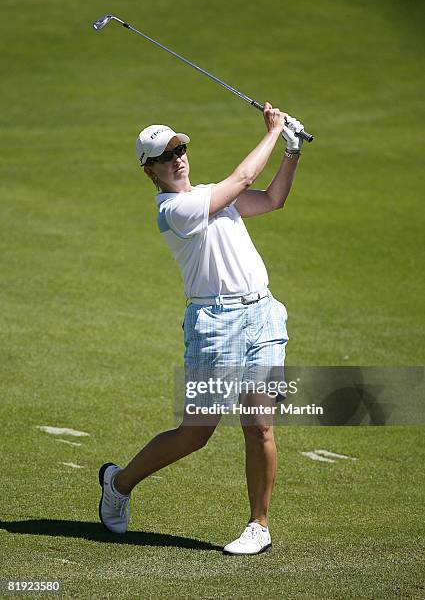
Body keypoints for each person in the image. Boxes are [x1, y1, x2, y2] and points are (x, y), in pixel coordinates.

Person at [98, 103, 304, 555]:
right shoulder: (174, 210)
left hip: (263, 314)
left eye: (181, 148)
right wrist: (272, 131)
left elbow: (271, 199)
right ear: (149, 171)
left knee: (261, 425)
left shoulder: (214, 195)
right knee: (197, 432)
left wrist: (291, 152)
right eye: (167, 155)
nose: (179, 158)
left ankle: (259, 525)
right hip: (216, 326)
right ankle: (119, 483)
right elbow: (245, 181)